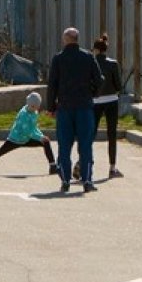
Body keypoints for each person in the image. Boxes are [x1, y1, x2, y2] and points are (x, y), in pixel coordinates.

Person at [46, 27, 102, 193]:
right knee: (85, 145)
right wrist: (91, 94)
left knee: (64, 145)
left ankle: (65, 180)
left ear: (65, 40)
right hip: (84, 106)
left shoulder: (58, 59)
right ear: (77, 39)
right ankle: (87, 181)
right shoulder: (88, 57)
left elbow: (52, 85)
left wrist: (51, 107)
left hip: (65, 107)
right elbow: (99, 80)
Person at [0, 91, 58, 176]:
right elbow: (27, 131)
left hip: (26, 139)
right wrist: (39, 138)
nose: (34, 108)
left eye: (36, 106)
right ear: (29, 104)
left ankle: (53, 166)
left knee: (46, 142)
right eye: (33, 106)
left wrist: (42, 136)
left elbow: (33, 128)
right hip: (15, 140)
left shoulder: (34, 112)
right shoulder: (24, 115)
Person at [91, 34, 124, 178]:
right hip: (111, 100)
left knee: (90, 134)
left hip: (95, 101)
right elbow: (118, 85)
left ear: (96, 49)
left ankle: (82, 162)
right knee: (112, 134)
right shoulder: (113, 64)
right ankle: (112, 167)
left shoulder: (91, 62)